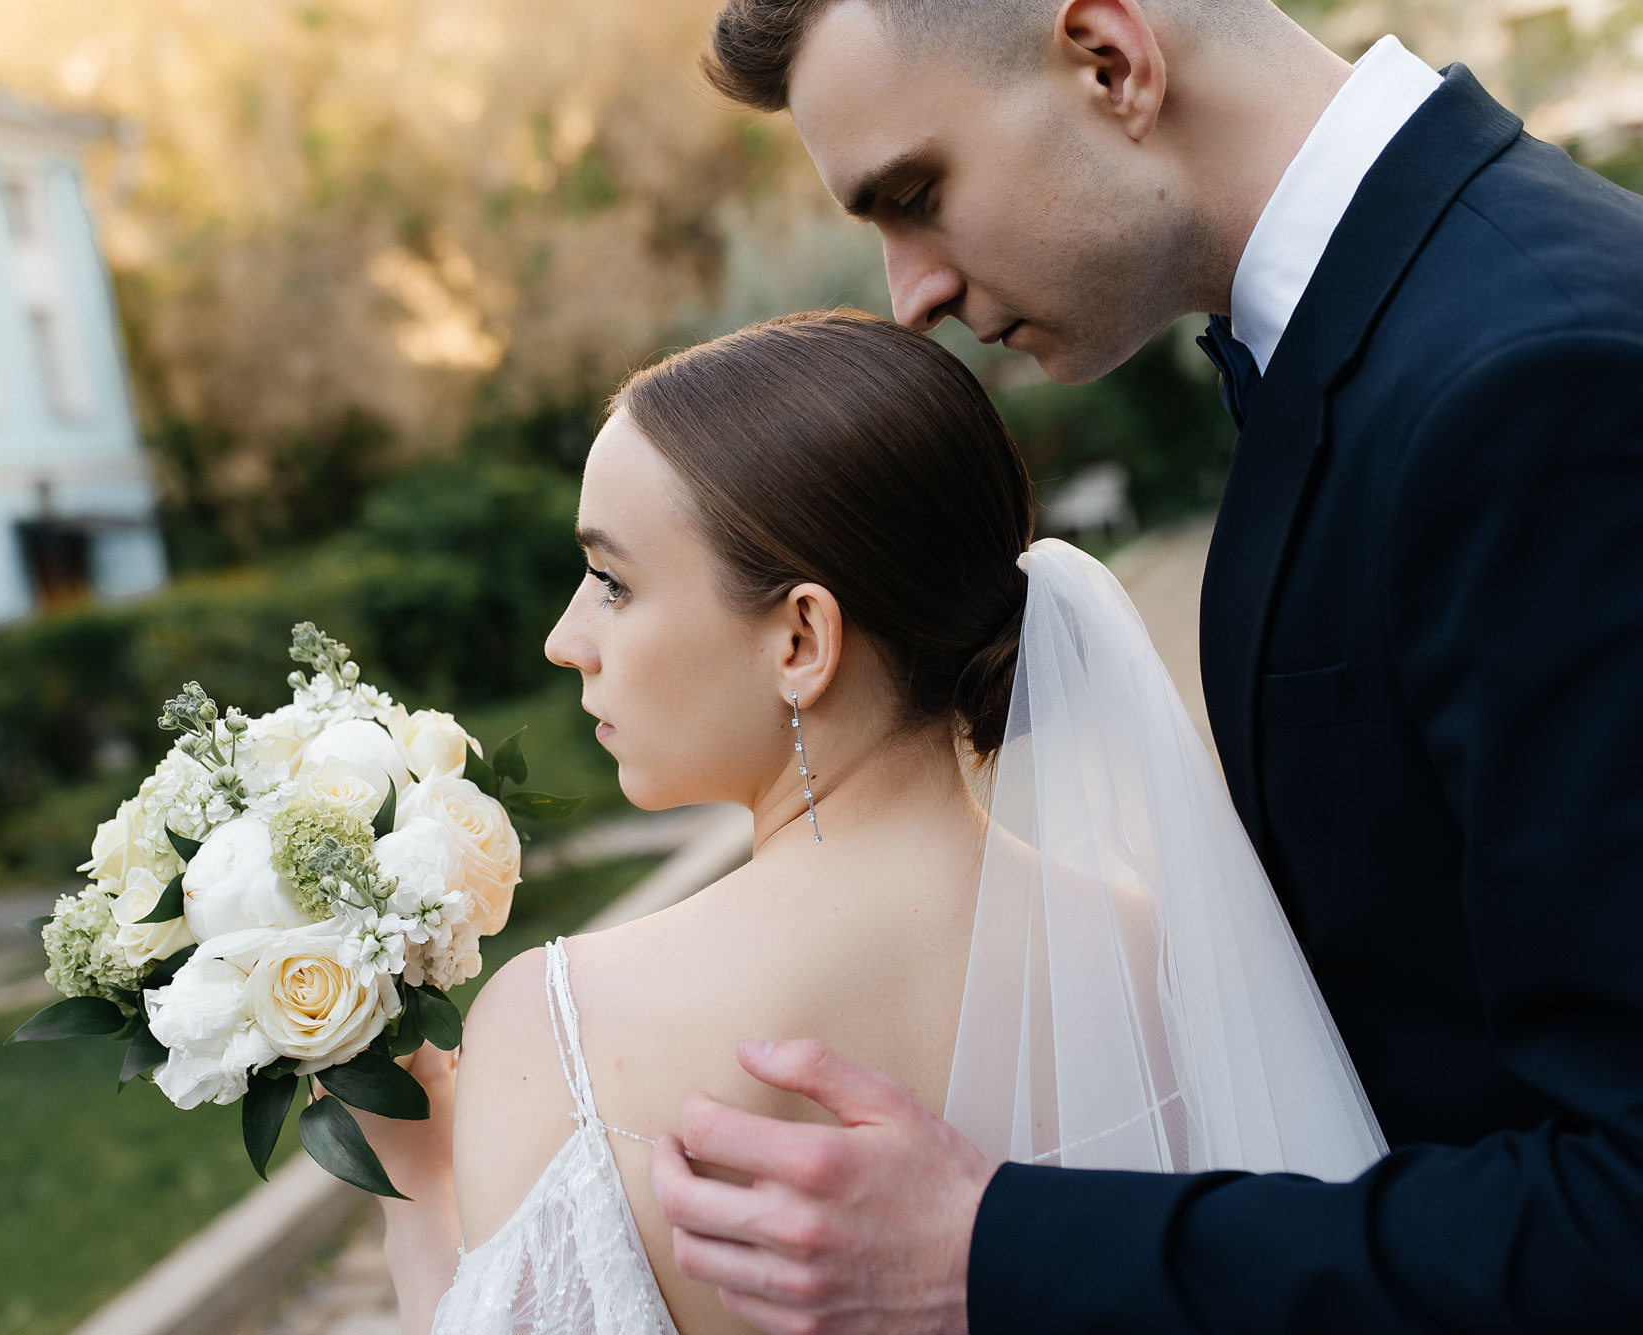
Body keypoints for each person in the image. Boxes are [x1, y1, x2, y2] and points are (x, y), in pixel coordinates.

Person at [646, 0, 1643, 1330]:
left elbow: (1623, 1209)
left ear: (1108, 60)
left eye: (917, 195)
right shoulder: (1396, 334)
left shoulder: (1532, 383)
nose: (913, 294)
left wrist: (990, 1248)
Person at [361, 308, 1384, 1334]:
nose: (563, 640)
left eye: (612, 584)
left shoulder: (559, 1029)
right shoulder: (1170, 962)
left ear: (801, 638)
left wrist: (415, 1196)